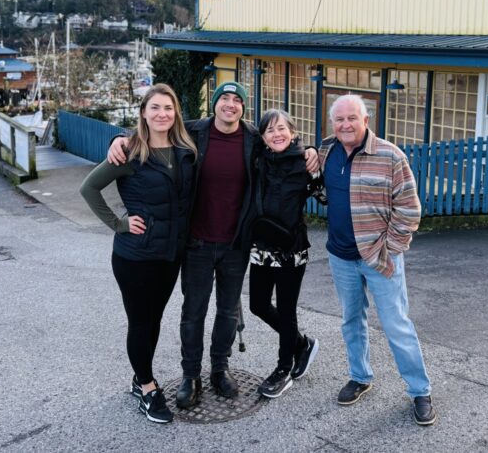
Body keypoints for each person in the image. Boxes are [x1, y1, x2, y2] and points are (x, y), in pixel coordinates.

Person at [106, 81, 319, 409]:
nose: (230, 104)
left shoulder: (253, 139)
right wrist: (118, 139)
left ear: (243, 108)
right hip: (197, 242)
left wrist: (309, 150)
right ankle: (190, 376)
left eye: (237, 100)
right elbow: (153, 131)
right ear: (215, 103)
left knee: (227, 312)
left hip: (236, 243)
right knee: (193, 313)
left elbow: (283, 141)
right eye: (224, 98)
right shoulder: (192, 132)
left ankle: (220, 369)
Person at [317, 93, 437, 426]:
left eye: (351, 118)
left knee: (397, 325)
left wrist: (390, 248)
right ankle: (360, 376)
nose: (345, 124)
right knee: (351, 321)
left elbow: (410, 210)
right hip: (340, 257)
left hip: (380, 258)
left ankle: (419, 391)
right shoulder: (327, 152)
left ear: (366, 120)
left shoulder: (390, 156)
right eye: (339, 119)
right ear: (333, 123)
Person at [80, 83, 196, 424]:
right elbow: (88, 188)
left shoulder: (185, 149)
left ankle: (139, 377)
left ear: (176, 113)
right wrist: (118, 224)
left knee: (155, 319)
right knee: (141, 321)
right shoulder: (129, 151)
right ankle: (146, 387)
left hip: (169, 254)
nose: (162, 114)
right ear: (143, 113)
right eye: (155, 108)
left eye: (168, 108)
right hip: (135, 257)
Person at [248, 109, 321, 399]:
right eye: (269, 131)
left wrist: (316, 158)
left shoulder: (305, 162)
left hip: (292, 248)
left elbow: (325, 196)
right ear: (263, 138)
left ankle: (284, 368)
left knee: (287, 310)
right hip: (262, 246)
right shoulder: (256, 161)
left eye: (282, 129)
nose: (276, 134)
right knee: (258, 305)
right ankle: (301, 344)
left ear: (292, 131)